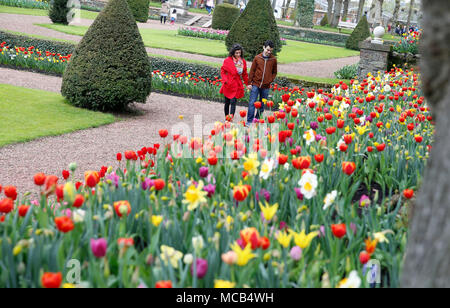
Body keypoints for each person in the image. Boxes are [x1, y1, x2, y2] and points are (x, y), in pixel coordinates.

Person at [246, 40, 277, 126]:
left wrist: (270, 80)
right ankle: (249, 121)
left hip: (266, 86)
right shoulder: (257, 58)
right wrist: (249, 83)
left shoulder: (273, 59)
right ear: (264, 47)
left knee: (262, 105)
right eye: (267, 50)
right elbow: (252, 71)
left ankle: (256, 121)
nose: (269, 52)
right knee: (252, 103)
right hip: (255, 84)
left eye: (271, 50)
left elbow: (274, 72)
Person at [220, 44, 249, 121]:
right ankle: (226, 117)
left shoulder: (243, 62)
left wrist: (247, 84)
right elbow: (223, 71)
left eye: (239, 53)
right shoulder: (227, 61)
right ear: (233, 53)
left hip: (237, 84)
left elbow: (245, 74)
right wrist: (225, 80)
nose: (238, 54)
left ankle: (230, 118)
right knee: (227, 102)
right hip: (228, 84)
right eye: (236, 53)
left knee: (233, 101)